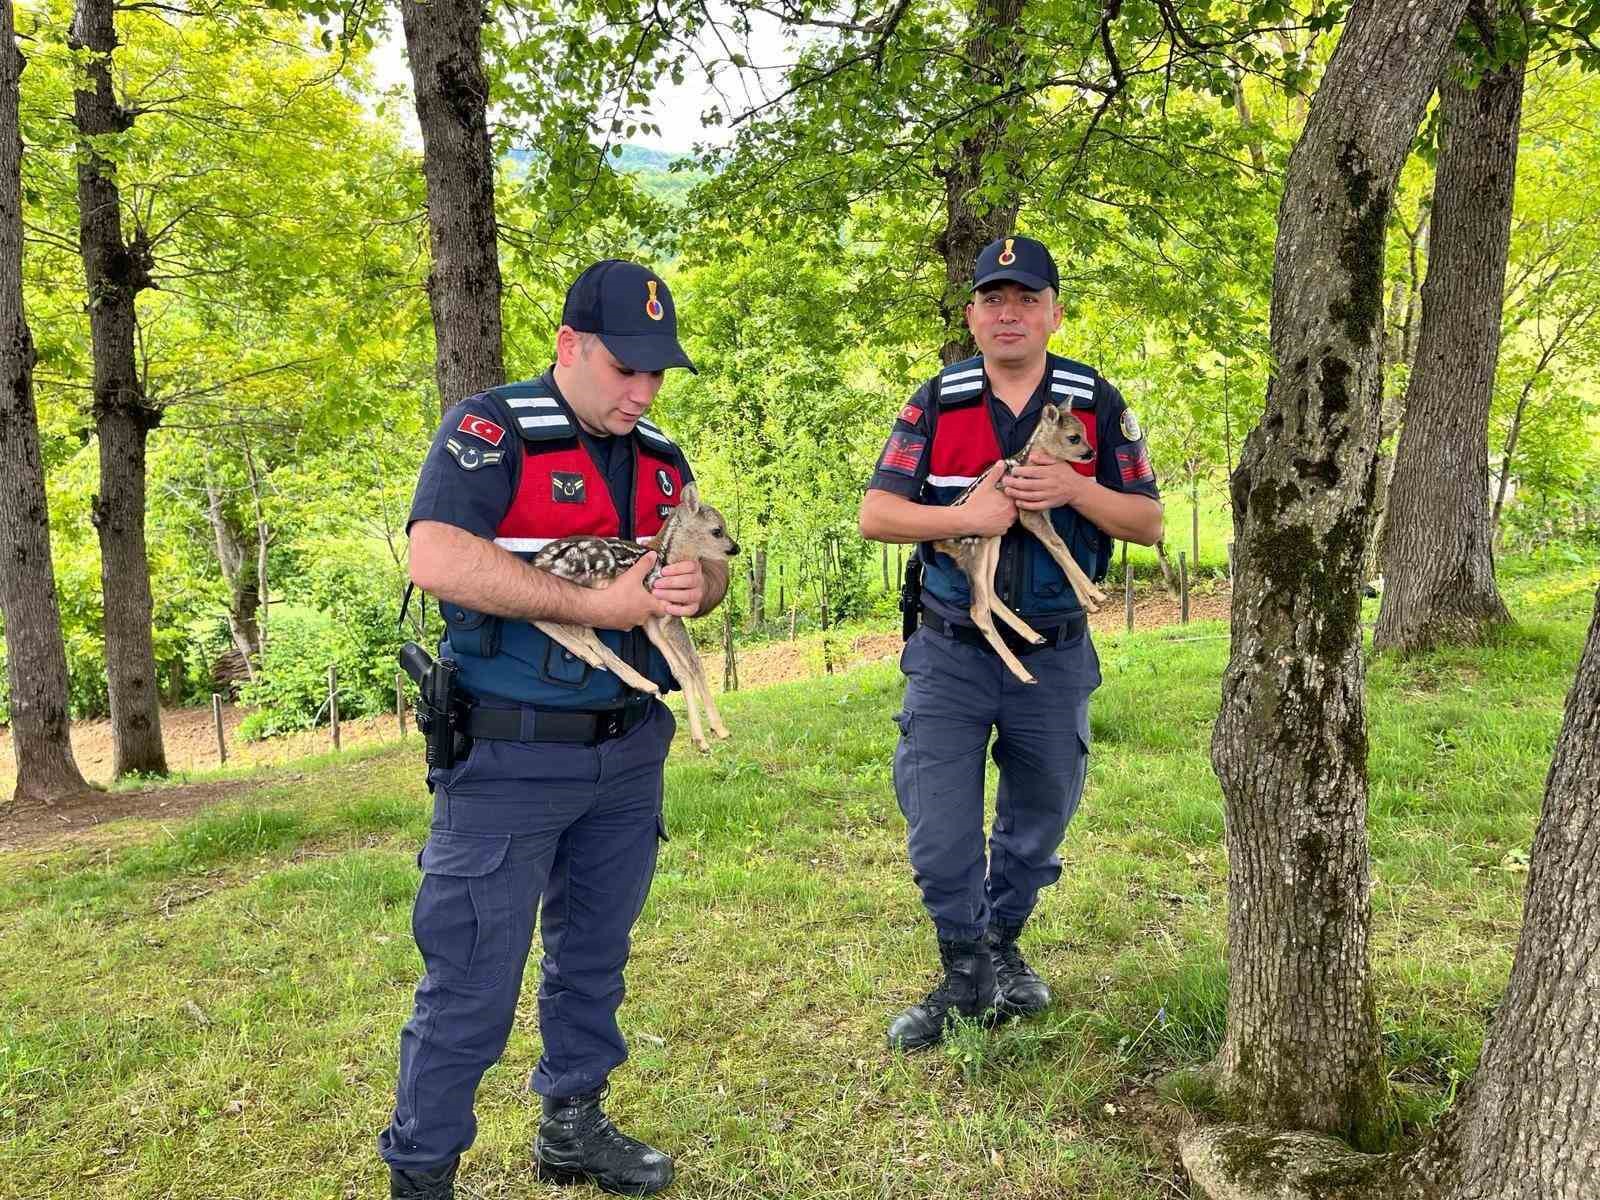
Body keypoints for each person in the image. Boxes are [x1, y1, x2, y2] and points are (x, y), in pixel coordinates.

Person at [380, 260, 725, 1198]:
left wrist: (702, 584)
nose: (643, 390)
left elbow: (698, 561)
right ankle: (423, 1172)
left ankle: (572, 1125)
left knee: (594, 959)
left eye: (657, 372)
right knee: (471, 982)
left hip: (626, 753)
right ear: (570, 347)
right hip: (509, 756)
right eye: (625, 368)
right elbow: (438, 555)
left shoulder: (660, 456)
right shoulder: (492, 434)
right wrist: (592, 602)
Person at [859, 235, 1163, 1050]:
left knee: (1038, 820)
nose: (1009, 313)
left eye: (1026, 299)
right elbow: (877, 515)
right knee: (939, 827)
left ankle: (1001, 946)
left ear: (1053, 313)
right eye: (994, 299)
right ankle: (962, 974)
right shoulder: (937, 401)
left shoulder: (1094, 403)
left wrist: (1077, 488)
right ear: (972, 316)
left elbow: (1148, 522)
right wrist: (966, 517)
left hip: (1055, 653)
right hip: (952, 650)